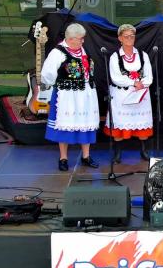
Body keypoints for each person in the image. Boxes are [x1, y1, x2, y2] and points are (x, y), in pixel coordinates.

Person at [41, 23, 100, 171]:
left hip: (85, 93)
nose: (83, 41)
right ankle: (63, 158)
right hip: (67, 95)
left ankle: (86, 156)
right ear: (71, 38)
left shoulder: (82, 50)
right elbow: (47, 74)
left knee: (86, 123)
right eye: (80, 38)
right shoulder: (58, 53)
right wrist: (57, 82)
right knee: (64, 125)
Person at [103, 24, 153, 164]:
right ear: (120, 38)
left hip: (140, 95)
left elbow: (149, 76)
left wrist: (142, 84)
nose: (130, 39)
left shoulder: (143, 55)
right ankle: (118, 152)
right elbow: (115, 77)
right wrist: (133, 83)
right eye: (126, 36)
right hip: (122, 95)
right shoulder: (115, 57)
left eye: (132, 36)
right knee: (120, 123)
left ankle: (144, 150)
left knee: (142, 123)